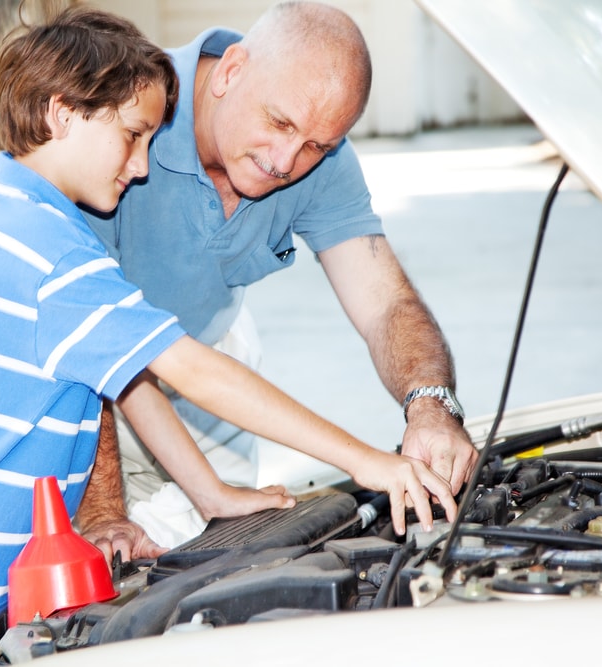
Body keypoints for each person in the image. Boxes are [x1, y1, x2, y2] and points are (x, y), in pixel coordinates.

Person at [0, 6, 456, 666]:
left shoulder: (17, 212)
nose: (143, 165)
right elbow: (191, 370)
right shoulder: (51, 255)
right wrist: (366, 460)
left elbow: (131, 366)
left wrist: (211, 493)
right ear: (62, 115)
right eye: (133, 137)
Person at [77, 0, 480, 554]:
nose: (288, 161)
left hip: (203, 368)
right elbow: (87, 338)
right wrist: (102, 510)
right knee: (97, 565)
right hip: (83, 385)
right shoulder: (124, 117)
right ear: (232, 70)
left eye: (317, 144)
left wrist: (431, 406)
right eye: (280, 122)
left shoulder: (322, 157)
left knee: (216, 556)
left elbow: (385, 303)